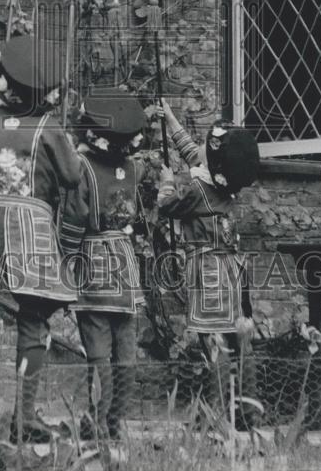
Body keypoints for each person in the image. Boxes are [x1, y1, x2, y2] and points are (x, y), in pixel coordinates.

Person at [0, 34, 82, 443]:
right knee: (33, 319)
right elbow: (71, 177)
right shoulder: (48, 128)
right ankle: (24, 416)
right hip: (29, 226)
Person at [157, 101, 260, 420]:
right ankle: (248, 411)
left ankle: (218, 414)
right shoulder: (223, 180)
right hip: (232, 270)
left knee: (215, 341)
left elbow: (166, 206)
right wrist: (171, 119)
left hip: (209, 272)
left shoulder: (198, 190)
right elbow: (193, 152)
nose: (200, 144)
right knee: (239, 336)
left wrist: (167, 181)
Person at [60, 88, 147, 442]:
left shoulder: (82, 169)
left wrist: (65, 265)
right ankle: (115, 423)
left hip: (93, 262)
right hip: (125, 264)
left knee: (98, 353)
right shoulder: (133, 169)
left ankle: (96, 424)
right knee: (125, 351)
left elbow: (73, 219)